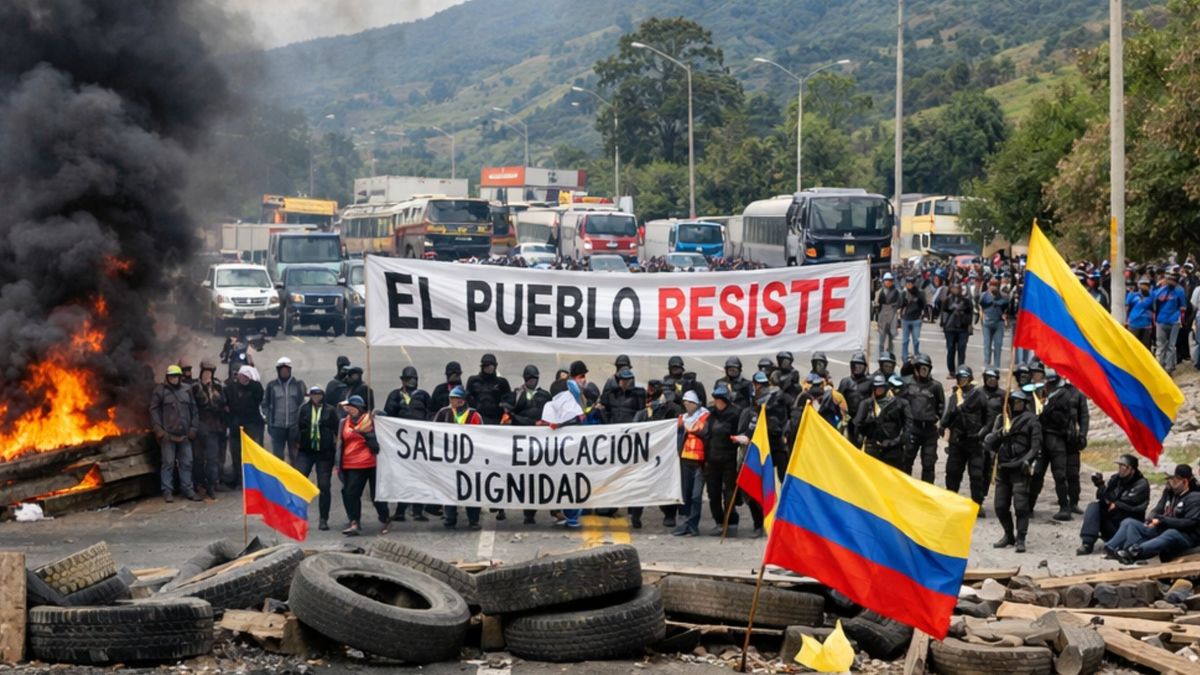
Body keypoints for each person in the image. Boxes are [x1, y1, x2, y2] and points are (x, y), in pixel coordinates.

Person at [1105, 464, 1200, 564]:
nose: (1169, 482)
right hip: (1163, 528)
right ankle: (1115, 549)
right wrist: (1151, 519)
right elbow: (1159, 508)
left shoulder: (1195, 497)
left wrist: (1162, 520)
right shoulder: (1170, 492)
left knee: (1171, 533)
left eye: (1173, 479)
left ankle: (1135, 552)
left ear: (1185, 481)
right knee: (1130, 523)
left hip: (1185, 536)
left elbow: (1189, 522)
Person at [985, 389, 1041, 553]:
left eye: (1020, 402)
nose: (1017, 404)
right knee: (1000, 506)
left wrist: (1027, 461)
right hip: (1003, 468)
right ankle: (1008, 535)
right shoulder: (1002, 418)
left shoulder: (1031, 420)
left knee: (1021, 507)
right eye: (1014, 401)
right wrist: (1000, 434)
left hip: (1019, 469)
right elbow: (989, 442)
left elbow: (1035, 446)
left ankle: (1021, 538)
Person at [1029, 369, 1089, 520]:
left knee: (1067, 474)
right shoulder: (1040, 393)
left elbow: (1083, 416)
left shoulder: (1069, 395)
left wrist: (1082, 434)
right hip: (1045, 439)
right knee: (1039, 474)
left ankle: (1068, 505)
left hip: (1062, 439)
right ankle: (1029, 506)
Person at [381, 366, 433, 522]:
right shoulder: (395, 395)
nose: (412, 382)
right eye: (409, 379)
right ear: (403, 380)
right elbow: (387, 417)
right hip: (400, 444)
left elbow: (430, 415)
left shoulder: (423, 395)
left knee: (419, 477)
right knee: (402, 477)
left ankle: (418, 511)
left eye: (414, 379)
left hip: (419, 443)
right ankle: (400, 510)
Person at [1077, 454, 1150, 555]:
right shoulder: (1116, 479)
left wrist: (1114, 504)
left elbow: (1125, 503)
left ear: (1132, 469)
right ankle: (1087, 543)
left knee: (1112, 510)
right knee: (1094, 506)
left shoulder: (1141, 484)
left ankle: (1118, 543)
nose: (1120, 469)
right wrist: (1100, 484)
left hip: (1127, 525)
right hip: (1113, 521)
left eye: (1123, 466)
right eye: (1119, 466)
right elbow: (1105, 498)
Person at [337, 395, 390, 536]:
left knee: (376, 495)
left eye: (353, 407)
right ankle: (354, 521)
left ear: (359, 408)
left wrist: (376, 416)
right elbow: (341, 441)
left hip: (369, 463)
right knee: (350, 493)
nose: (350, 410)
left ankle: (385, 518)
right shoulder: (344, 422)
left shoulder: (370, 420)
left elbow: (385, 419)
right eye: (349, 407)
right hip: (351, 464)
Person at [633, 379, 683, 529]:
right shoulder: (642, 412)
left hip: (665, 455)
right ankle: (636, 515)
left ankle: (669, 514)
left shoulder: (673, 408)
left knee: (666, 484)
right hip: (645, 455)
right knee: (640, 485)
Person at [434, 386, 483, 529]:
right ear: (450, 399)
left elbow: (482, 435)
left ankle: (473, 520)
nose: (457, 401)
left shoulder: (474, 415)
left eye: (460, 398)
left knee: (471, 490)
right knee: (449, 488)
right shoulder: (444, 413)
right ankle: (450, 517)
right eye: (454, 398)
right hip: (449, 459)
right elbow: (433, 431)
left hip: (469, 460)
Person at [150, 364, 201, 503]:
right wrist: (159, 430)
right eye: (172, 376)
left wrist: (193, 429)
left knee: (187, 463)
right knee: (168, 463)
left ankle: (188, 489)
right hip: (168, 435)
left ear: (180, 377)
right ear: (167, 377)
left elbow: (194, 411)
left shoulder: (187, 390)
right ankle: (167, 491)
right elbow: (154, 411)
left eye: (176, 376)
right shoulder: (160, 391)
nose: (174, 379)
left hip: (185, 435)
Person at [940, 366, 987, 510]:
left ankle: (977, 505)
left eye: (965, 378)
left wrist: (982, 433)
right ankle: (951, 501)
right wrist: (953, 412)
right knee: (953, 472)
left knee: (976, 475)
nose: (963, 380)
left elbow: (987, 417)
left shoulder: (979, 395)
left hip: (974, 442)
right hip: (957, 442)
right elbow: (944, 421)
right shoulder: (954, 397)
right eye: (960, 378)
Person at [296, 386, 338, 531]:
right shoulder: (304, 409)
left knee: (324, 485)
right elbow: (298, 427)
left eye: (319, 394)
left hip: (324, 453)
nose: (316, 397)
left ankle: (323, 518)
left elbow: (337, 429)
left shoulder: (330, 410)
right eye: (313, 394)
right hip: (306, 451)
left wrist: (336, 450)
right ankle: (298, 516)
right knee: (299, 482)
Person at [704, 386, 742, 537]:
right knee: (713, 493)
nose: (717, 402)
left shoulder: (735, 415)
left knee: (729, 493)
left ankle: (730, 521)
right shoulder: (711, 414)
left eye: (719, 399)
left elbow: (740, 434)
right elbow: (706, 435)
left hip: (729, 461)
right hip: (712, 460)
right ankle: (718, 521)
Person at [854, 375, 911, 470]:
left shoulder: (899, 403)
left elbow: (908, 426)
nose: (879, 390)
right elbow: (857, 426)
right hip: (872, 447)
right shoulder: (866, 404)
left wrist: (897, 441)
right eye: (877, 388)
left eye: (881, 387)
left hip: (893, 448)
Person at [903, 353, 945, 484]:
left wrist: (937, 418)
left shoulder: (936, 386)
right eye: (921, 368)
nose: (924, 371)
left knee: (928, 463)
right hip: (912, 428)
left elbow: (942, 404)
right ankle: (905, 488)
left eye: (926, 369)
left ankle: (927, 491)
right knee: (906, 460)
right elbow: (901, 402)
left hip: (929, 430)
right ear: (916, 369)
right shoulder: (908, 383)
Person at [673, 390, 709, 537]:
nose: (687, 405)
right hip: (685, 460)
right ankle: (684, 525)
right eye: (685, 403)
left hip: (700, 462)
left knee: (695, 496)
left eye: (690, 403)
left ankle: (693, 525)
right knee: (685, 494)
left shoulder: (705, 416)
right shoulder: (682, 418)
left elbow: (703, 431)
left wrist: (690, 429)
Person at [223, 364, 263, 489]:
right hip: (236, 426)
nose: (243, 378)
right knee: (236, 453)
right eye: (241, 376)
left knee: (252, 453)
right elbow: (226, 403)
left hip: (252, 425)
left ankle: (253, 479)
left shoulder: (255, 387)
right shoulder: (231, 388)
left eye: (245, 376)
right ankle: (238, 478)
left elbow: (260, 399)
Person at [191, 360, 226, 500]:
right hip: (200, 426)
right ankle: (200, 484)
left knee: (212, 459)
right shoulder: (195, 386)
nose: (208, 374)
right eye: (205, 371)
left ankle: (212, 485)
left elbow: (222, 402)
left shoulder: (218, 385)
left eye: (210, 371)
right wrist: (204, 388)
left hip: (213, 428)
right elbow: (200, 403)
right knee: (198, 459)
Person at [263, 357, 306, 462]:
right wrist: (268, 420)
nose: (284, 372)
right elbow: (265, 404)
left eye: (286, 370)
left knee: (295, 455)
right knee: (277, 456)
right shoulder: (271, 386)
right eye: (282, 370)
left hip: (294, 427)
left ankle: (294, 477)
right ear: (278, 371)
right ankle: (279, 477)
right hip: (277, 427)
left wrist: (300, 423)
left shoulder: (298, 385)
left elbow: (303, 405)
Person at [1154, 271, 1187, 373]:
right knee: (1161, 345)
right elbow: (1154, 303)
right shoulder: (1161, 290)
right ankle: (1160, 366)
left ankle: (1169, 368)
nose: (1169, 281)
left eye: (1172, 279)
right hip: (1161, 320)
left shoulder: (1179, 291)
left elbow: (1183, 307)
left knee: (1171, 346)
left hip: (1174, 321)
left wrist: (1181, 320)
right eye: (1168, 279)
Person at [838, 352, 873, 447]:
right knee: (847, 443)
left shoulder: (870, 381)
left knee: (863, 444)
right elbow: (838, 400)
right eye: (855, 366)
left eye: (860, 366)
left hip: (864, 419)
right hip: (848, 418)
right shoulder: (845, 382)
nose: (857, 368)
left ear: (864, 367)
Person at [466, 353, 512, 425]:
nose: (490, 368)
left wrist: (504, 407)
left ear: (495, 366)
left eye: (492, 365)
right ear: (483, 366)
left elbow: (509, 400)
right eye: (487, 365)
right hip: (478, 417)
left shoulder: (502, 382)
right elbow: (467, 398)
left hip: (496, 418)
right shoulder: (473, 380)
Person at [940, 282, 974, 375]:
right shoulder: (947, 300)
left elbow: (970, 314)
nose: (955, 290)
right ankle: (951, 370)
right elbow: (943, 313)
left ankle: (961, 369)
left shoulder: (966, 301)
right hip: (950, 328)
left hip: (963, 328)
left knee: (961, 349)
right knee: (950, 349)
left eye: (957, 288)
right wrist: (944, 325)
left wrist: (967, 323)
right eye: (953, 288)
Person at [979, 278, 1009, 371]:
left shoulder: (1004, 296)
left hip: (998, 323)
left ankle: (997, 366)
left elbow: (1006, 308)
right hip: (987, 323)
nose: (993, 286)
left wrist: (1006, 317)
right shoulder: (984, 296)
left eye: (995, 285)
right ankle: (987, 365)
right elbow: (980, 307)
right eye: (992, 284)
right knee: (987, 345)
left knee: (998, 345)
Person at [900, 276, 926, 361]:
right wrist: (904, 301)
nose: (909, 285)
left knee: (916, 339)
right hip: (906, 319)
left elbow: (923, 305)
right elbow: (900, 305)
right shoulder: (904, 293)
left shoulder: (920, 293)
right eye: (907, 283)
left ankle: (916, 354)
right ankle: (904, 357)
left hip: (916, 319)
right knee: (905, 340)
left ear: (914, 284)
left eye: (910, 283)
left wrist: (917, 300)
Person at [874, 272, 901, 354]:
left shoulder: (896, 292)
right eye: (886, 280)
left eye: (890, 280)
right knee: (881, 339)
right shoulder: (880, 292)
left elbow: (899, 305)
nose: (888, 282)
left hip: (892, 317)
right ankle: (881, 356)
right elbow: (876, 304)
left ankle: (890, 355)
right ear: (884, 281)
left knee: (891, 339)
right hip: (882, 317)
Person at [1126, 277, 1155, 350]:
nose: (1145, 286)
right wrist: (1126, 320)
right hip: (1134, 323)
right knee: (1133, 345)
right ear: (1139, 285)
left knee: (1145, 346)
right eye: (1143, 284)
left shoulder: (1151, 296)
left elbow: (1154, 309)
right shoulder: (1132, 295)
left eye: (1147, 284)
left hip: (1146, 324)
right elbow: (1127, 308)